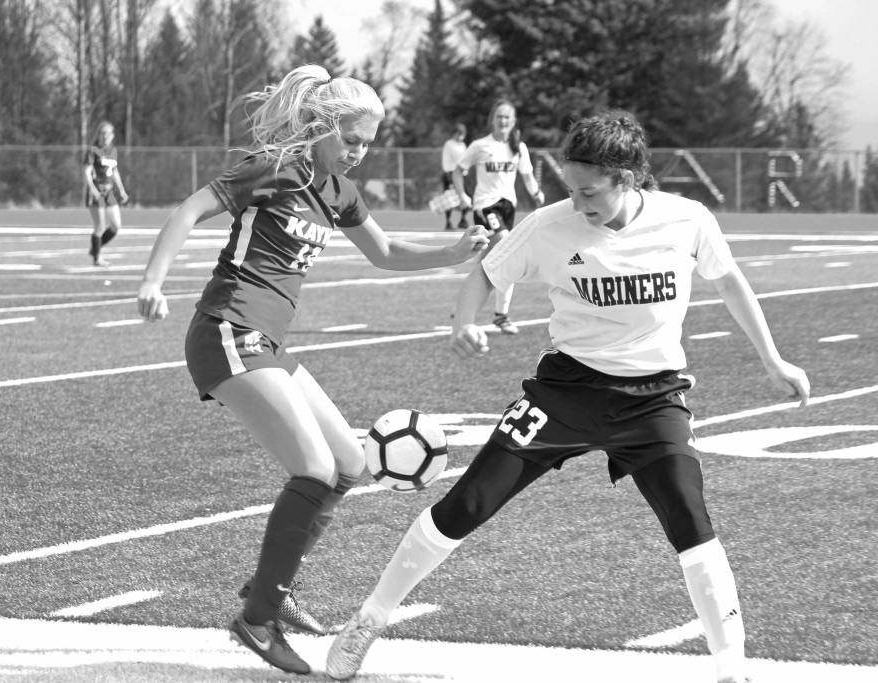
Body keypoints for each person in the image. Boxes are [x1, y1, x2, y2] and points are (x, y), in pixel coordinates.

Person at [326, 110, 811, 683]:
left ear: (627, 178)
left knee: (690, 517)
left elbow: (729, 281)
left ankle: (732, 670)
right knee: (468, 503)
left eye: (590, 192)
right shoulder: (548, 225)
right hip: (565, 391)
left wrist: (773, 359)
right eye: (571, 190)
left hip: (653, 399)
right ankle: (369, 619)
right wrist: (465, 322)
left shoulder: (687, 219)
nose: (578, 204)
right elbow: (486, 273)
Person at [135, 64, 489, 676]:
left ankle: (270, 588)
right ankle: (257, 620)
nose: (357, 152)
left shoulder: (340, 191)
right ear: (321, 127)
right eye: (349, 139)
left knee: (349, 463)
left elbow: (385, 253)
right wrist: (152, 282)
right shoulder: (275, 168)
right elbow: (187, 211)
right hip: (227, 330)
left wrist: (453, 252)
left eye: (367, 144)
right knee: (314, 468)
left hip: (266, 342)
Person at [452, 99, 544, 334]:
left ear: (513, 121)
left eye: (507, 117)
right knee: (506, 247)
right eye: (499, 116)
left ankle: (470, 303)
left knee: (492, 259)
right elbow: (458, 171)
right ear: (492, 120)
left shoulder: (518, 147)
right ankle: (500, 315)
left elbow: (527, 175)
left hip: (507, 207)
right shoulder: (480, 145)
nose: (503, 121)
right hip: (485, 206)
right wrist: (463, 195)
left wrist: (536, 193)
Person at [84, 120, 129, 266]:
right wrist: (92, 189)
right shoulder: (93, 150)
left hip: (109, 192)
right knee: (100, 227)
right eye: (102, 133)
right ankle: (97, 258)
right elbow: (87, 171)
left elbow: (114, 171)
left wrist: (121, 190)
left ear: (113, 135)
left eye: (108, 134)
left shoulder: (113, 151)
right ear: (98, 135)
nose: (105, 137)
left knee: (116, 225)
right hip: (97, 192)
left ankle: (95, 249)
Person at [440, 123, 469, 230]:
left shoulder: (463, 145)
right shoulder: (449, 144)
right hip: (450, 174)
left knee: (465, 196)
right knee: (450, 199)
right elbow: (459, 160)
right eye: (459, 134)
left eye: (462, 134)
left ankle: (463, 219)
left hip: (462, 175)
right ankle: (448, 221)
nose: (461, 136)